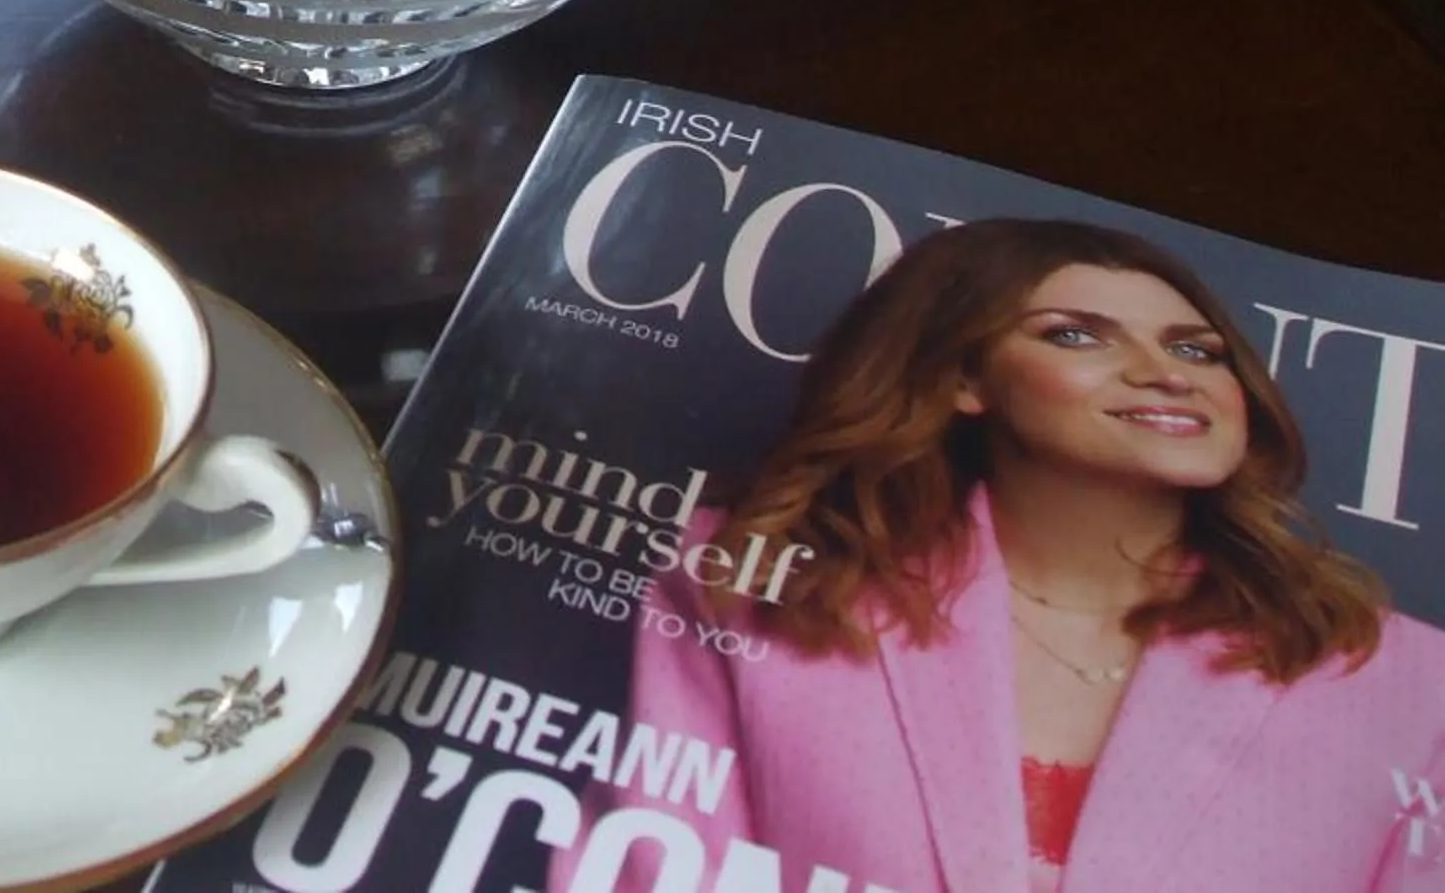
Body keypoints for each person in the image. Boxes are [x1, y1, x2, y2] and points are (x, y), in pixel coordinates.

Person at [582, 218, 1445, 893]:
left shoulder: (1405, 677)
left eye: (1197, 349)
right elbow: (655, 862)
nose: (1168, 374)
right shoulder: (761, 579)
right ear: (965, 380)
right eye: (1078, 335)